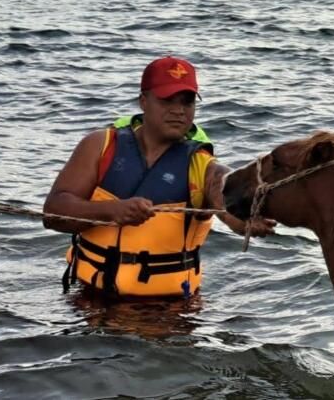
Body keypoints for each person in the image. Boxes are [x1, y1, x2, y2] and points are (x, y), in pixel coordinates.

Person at [43, 56, 275, 298]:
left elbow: (228, 198)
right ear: (143, 101)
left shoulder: (203, 167)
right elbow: (52, 214)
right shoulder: (101, 145)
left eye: (187, 102)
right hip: (88, 299)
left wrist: (247, 220)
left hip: (168, 311)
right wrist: (111, 211)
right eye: (167, 100)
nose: (178, 111)